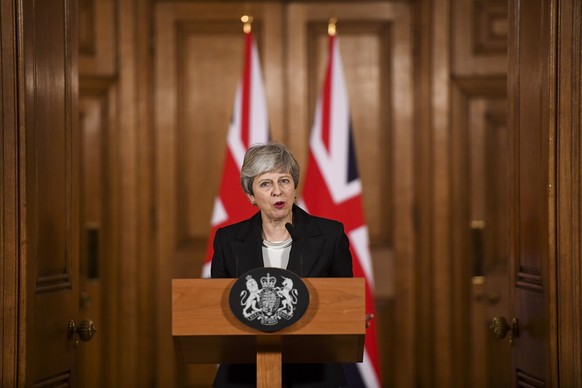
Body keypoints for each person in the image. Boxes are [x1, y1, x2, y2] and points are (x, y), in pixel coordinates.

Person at [211, 141, 353, 387]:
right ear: (251, 195)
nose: (277, 191)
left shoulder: (330, 235)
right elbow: (218, 307)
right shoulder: (229, 240)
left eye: (284, 181)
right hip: (244, 372)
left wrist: (350, 314)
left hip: (314, 372)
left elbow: (344, 299)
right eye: (266, 184)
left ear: (294, 188)